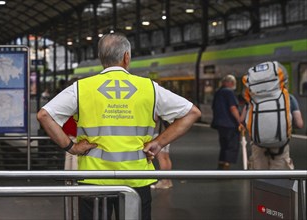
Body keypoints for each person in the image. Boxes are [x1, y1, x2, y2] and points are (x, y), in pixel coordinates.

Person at [37, 33, 201, 220]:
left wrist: (71, 147)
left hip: (94, 179)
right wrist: (159, 143)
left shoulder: (81, 88)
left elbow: (44, 115)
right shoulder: (149, 88)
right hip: (136, 179)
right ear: (126, 57)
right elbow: (192, 113)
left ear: (101, 58)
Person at [247, 93, 304, 170]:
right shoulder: (288, 97)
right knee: (279, 178)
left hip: (258, 144)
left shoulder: (254, 97)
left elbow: (245, 121)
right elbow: (299, 124)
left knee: (259, 177)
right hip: (281, 145)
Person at [211, 74, 244, 170]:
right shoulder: (229, 92)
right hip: (230, 124)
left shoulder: (218, 92)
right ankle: (226, 167)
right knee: (231, 145)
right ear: (229, 83)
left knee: (223, 145)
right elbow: (233, 108)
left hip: (220, 124)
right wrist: (240, 121)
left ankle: (221, 165)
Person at [151, 118, 173, 189]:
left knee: (161, 157)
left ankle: (164, 182)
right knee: (166, 157)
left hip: (160, 132)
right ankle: (168, 181)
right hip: (168, 131)